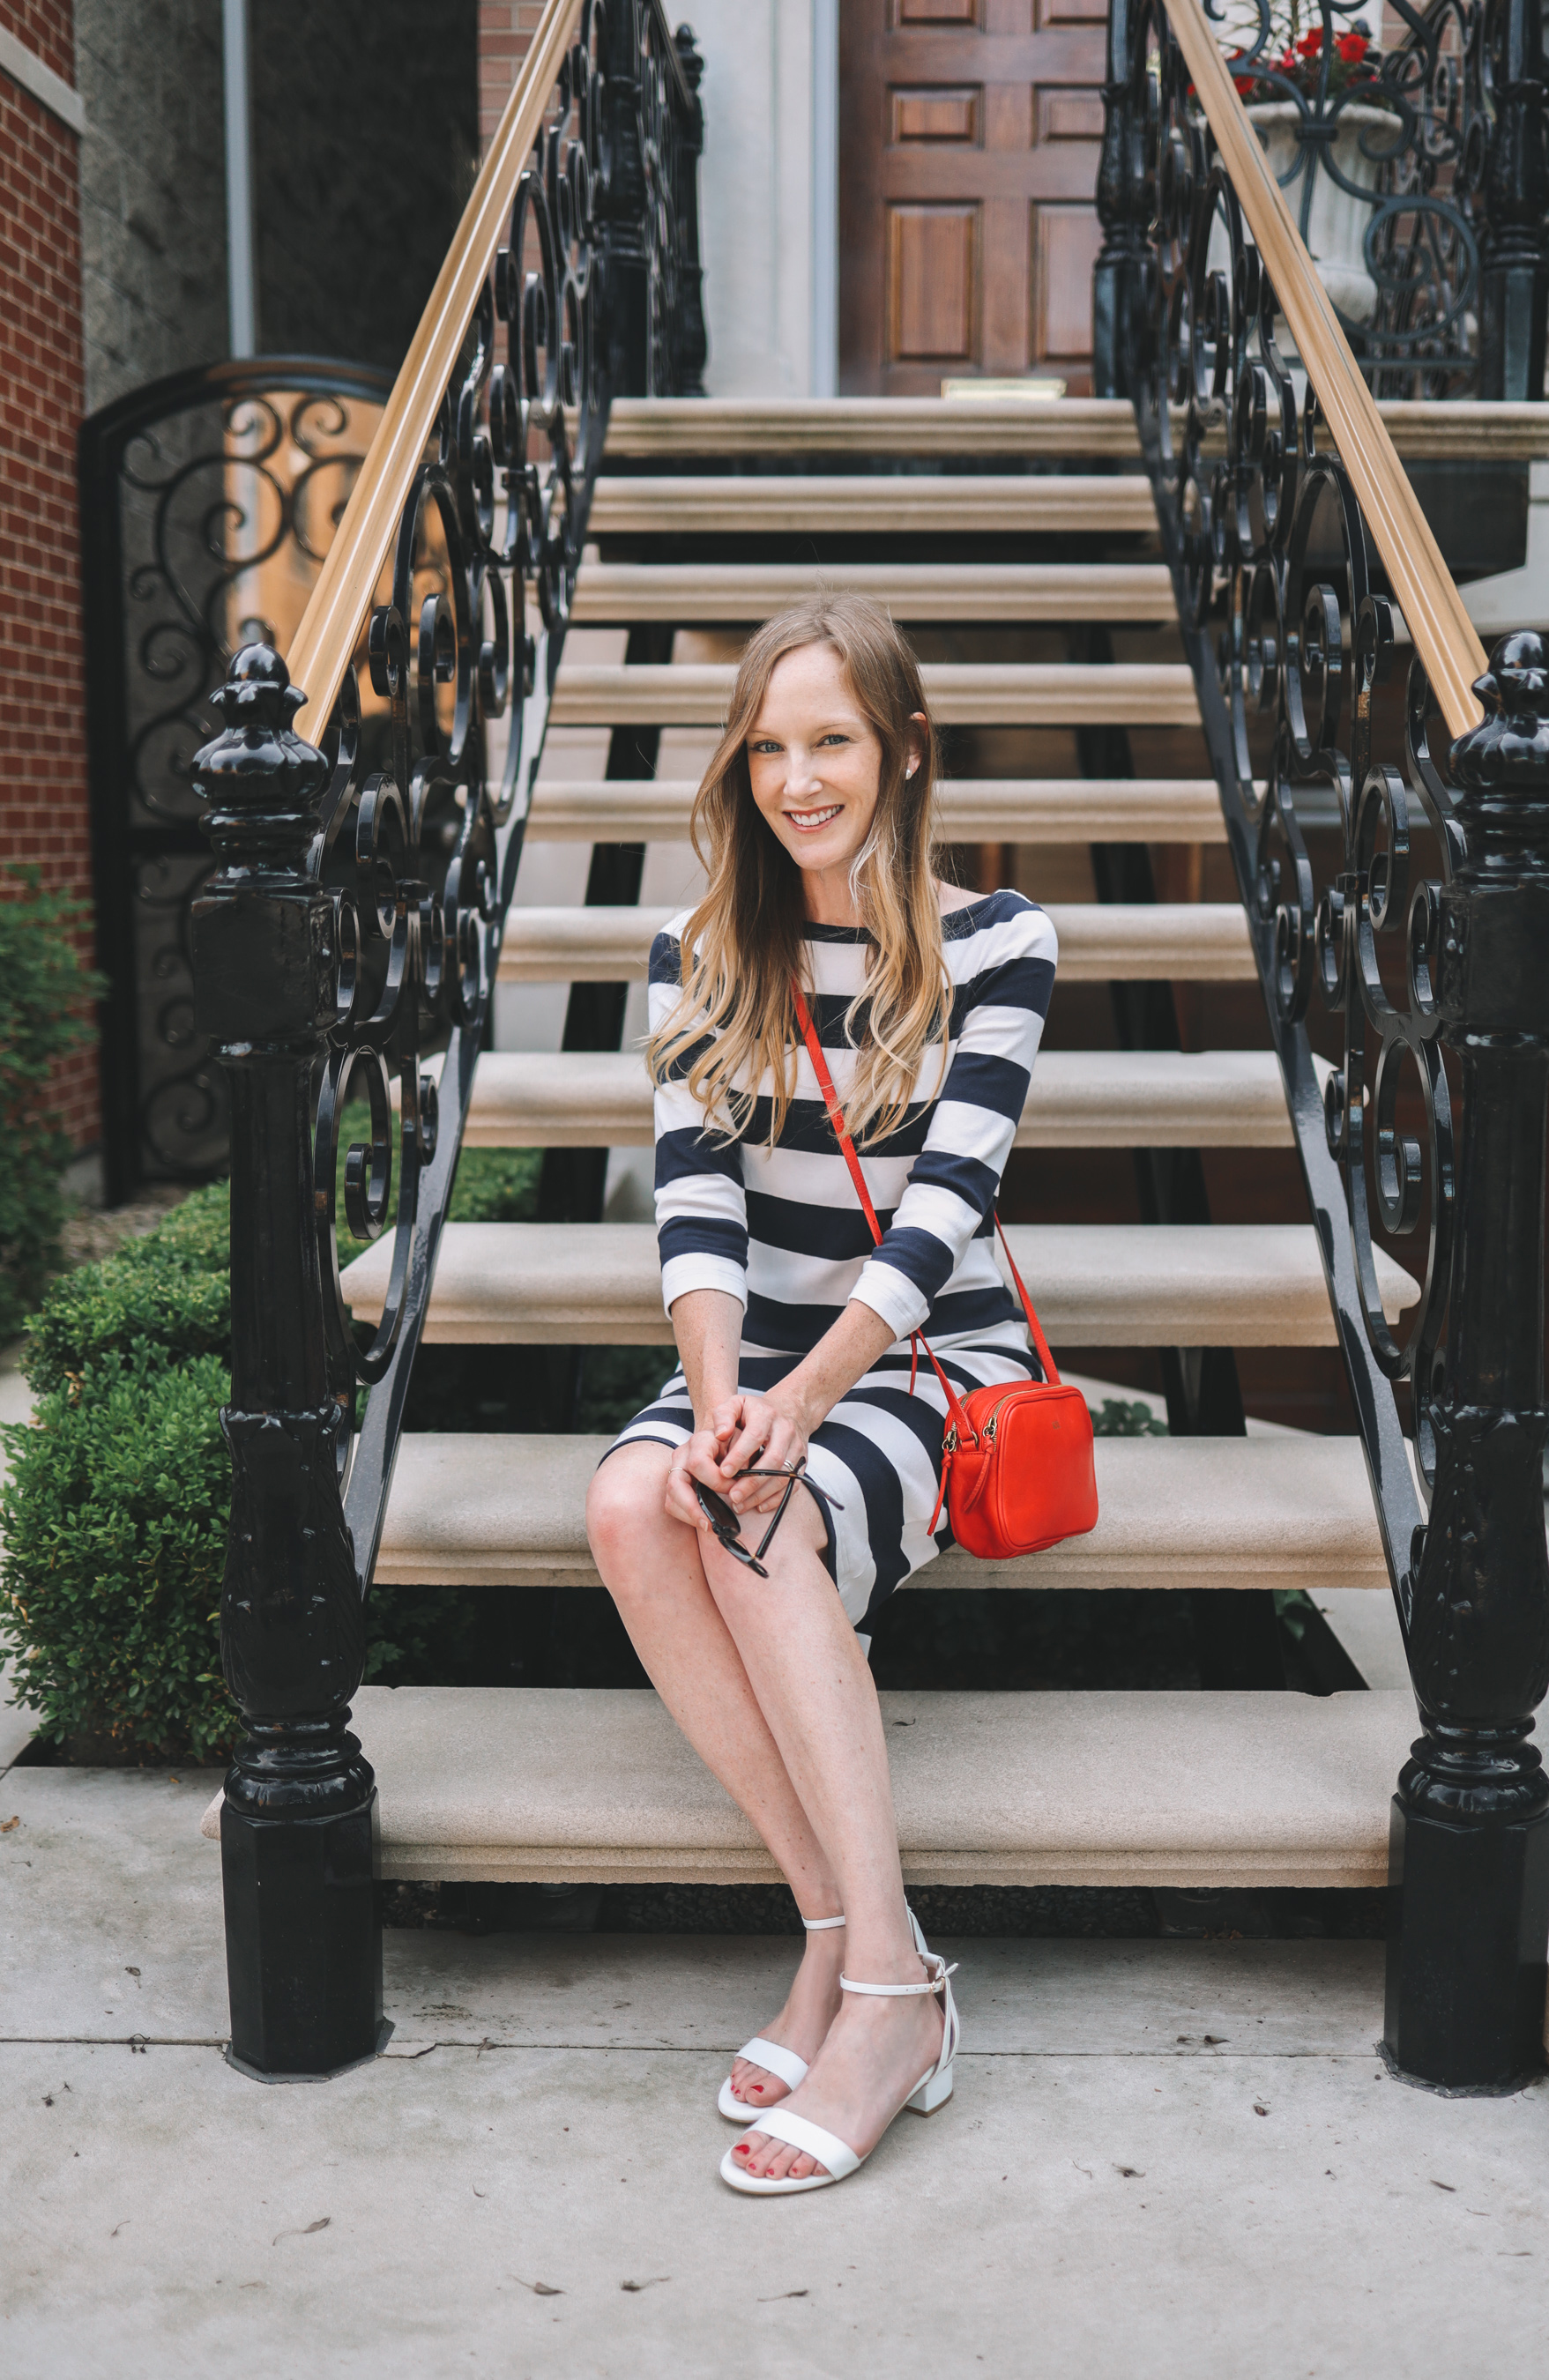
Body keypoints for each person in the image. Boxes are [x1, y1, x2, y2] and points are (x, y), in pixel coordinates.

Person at [585, 593, 1058, 2195]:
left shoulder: (1000, 943)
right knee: (634, 1500)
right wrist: (725, 1393)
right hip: (756, 1344)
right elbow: (694, 1204)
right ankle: (849, 1937)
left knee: (757, 1520)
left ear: (904, 751)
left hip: (928, 1355)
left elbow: (944, 1215)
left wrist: (794, 1416)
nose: (799, 778)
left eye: (833, 741)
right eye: (770, 745)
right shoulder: (698, 952)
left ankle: (887, 2008)